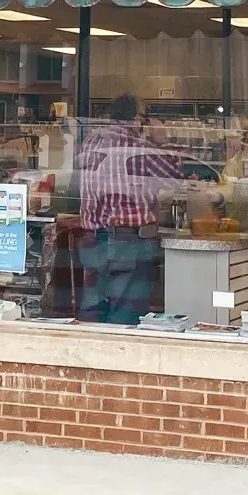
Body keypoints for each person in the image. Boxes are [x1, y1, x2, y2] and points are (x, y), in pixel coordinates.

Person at [76, 94, 181, 324]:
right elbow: (174, 180)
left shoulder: (90, 141)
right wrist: (162, 140)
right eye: (145, 117)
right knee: (125, 313)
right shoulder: (139, 148)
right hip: (128, 240)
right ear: (135, 119)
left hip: (93, 237)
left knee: (93, 309)